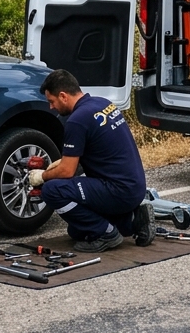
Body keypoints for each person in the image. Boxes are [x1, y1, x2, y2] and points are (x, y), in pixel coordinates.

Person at [28, 69, 154, 251]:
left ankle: (106, 233)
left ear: (63, 96)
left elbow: (67, 172)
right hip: (135, 187)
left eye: (51, 101)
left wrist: (43, 176)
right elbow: (85, 157)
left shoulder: (77, 121)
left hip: (117, 190)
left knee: (52, 190)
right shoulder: (103, 104)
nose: (51, 108)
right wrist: (60, 163)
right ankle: (133, 221)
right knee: (77, 230)